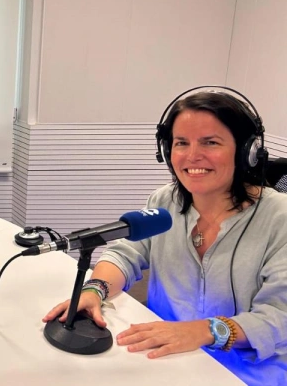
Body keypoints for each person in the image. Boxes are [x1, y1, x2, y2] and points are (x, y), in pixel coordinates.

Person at [43, 90, 287, 385]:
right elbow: (125, 254)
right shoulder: (164, 201)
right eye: (181, 142)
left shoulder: (280, 218)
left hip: (248, 372)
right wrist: (94, 290)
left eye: (210, 142)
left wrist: (204, 330)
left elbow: (278, 316)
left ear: (247, 151)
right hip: (167, 359)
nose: (192, 155)